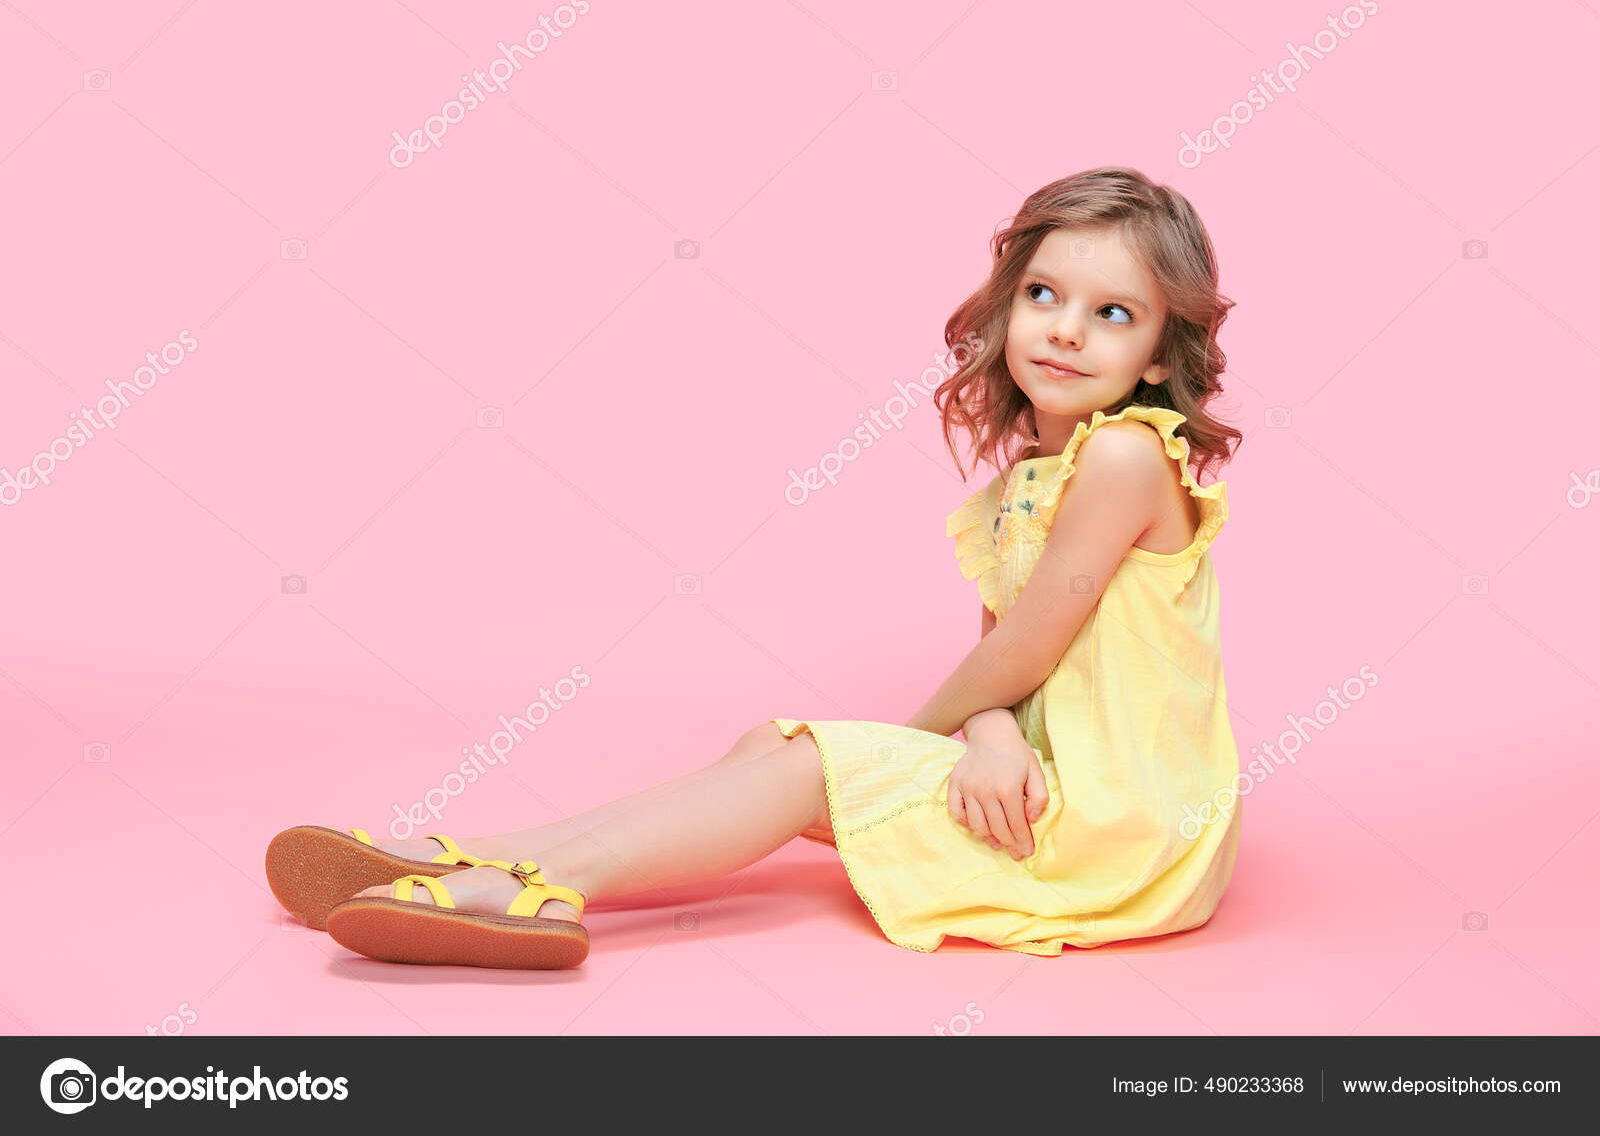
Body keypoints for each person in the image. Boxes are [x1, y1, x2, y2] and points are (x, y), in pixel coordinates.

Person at [265, 165, 1246, 969]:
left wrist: (902, 749)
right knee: (763, 748)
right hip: (1037, 779)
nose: (1066, 328)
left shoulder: (1123, 458)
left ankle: (533, 890)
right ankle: (487, 857)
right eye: (1043, 294)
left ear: (1163, 352)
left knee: (817, 761)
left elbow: (1024, 650)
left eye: (1112, 313)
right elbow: (1005, 656)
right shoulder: (1030, 482)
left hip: (1122, 821)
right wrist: (978, 739)